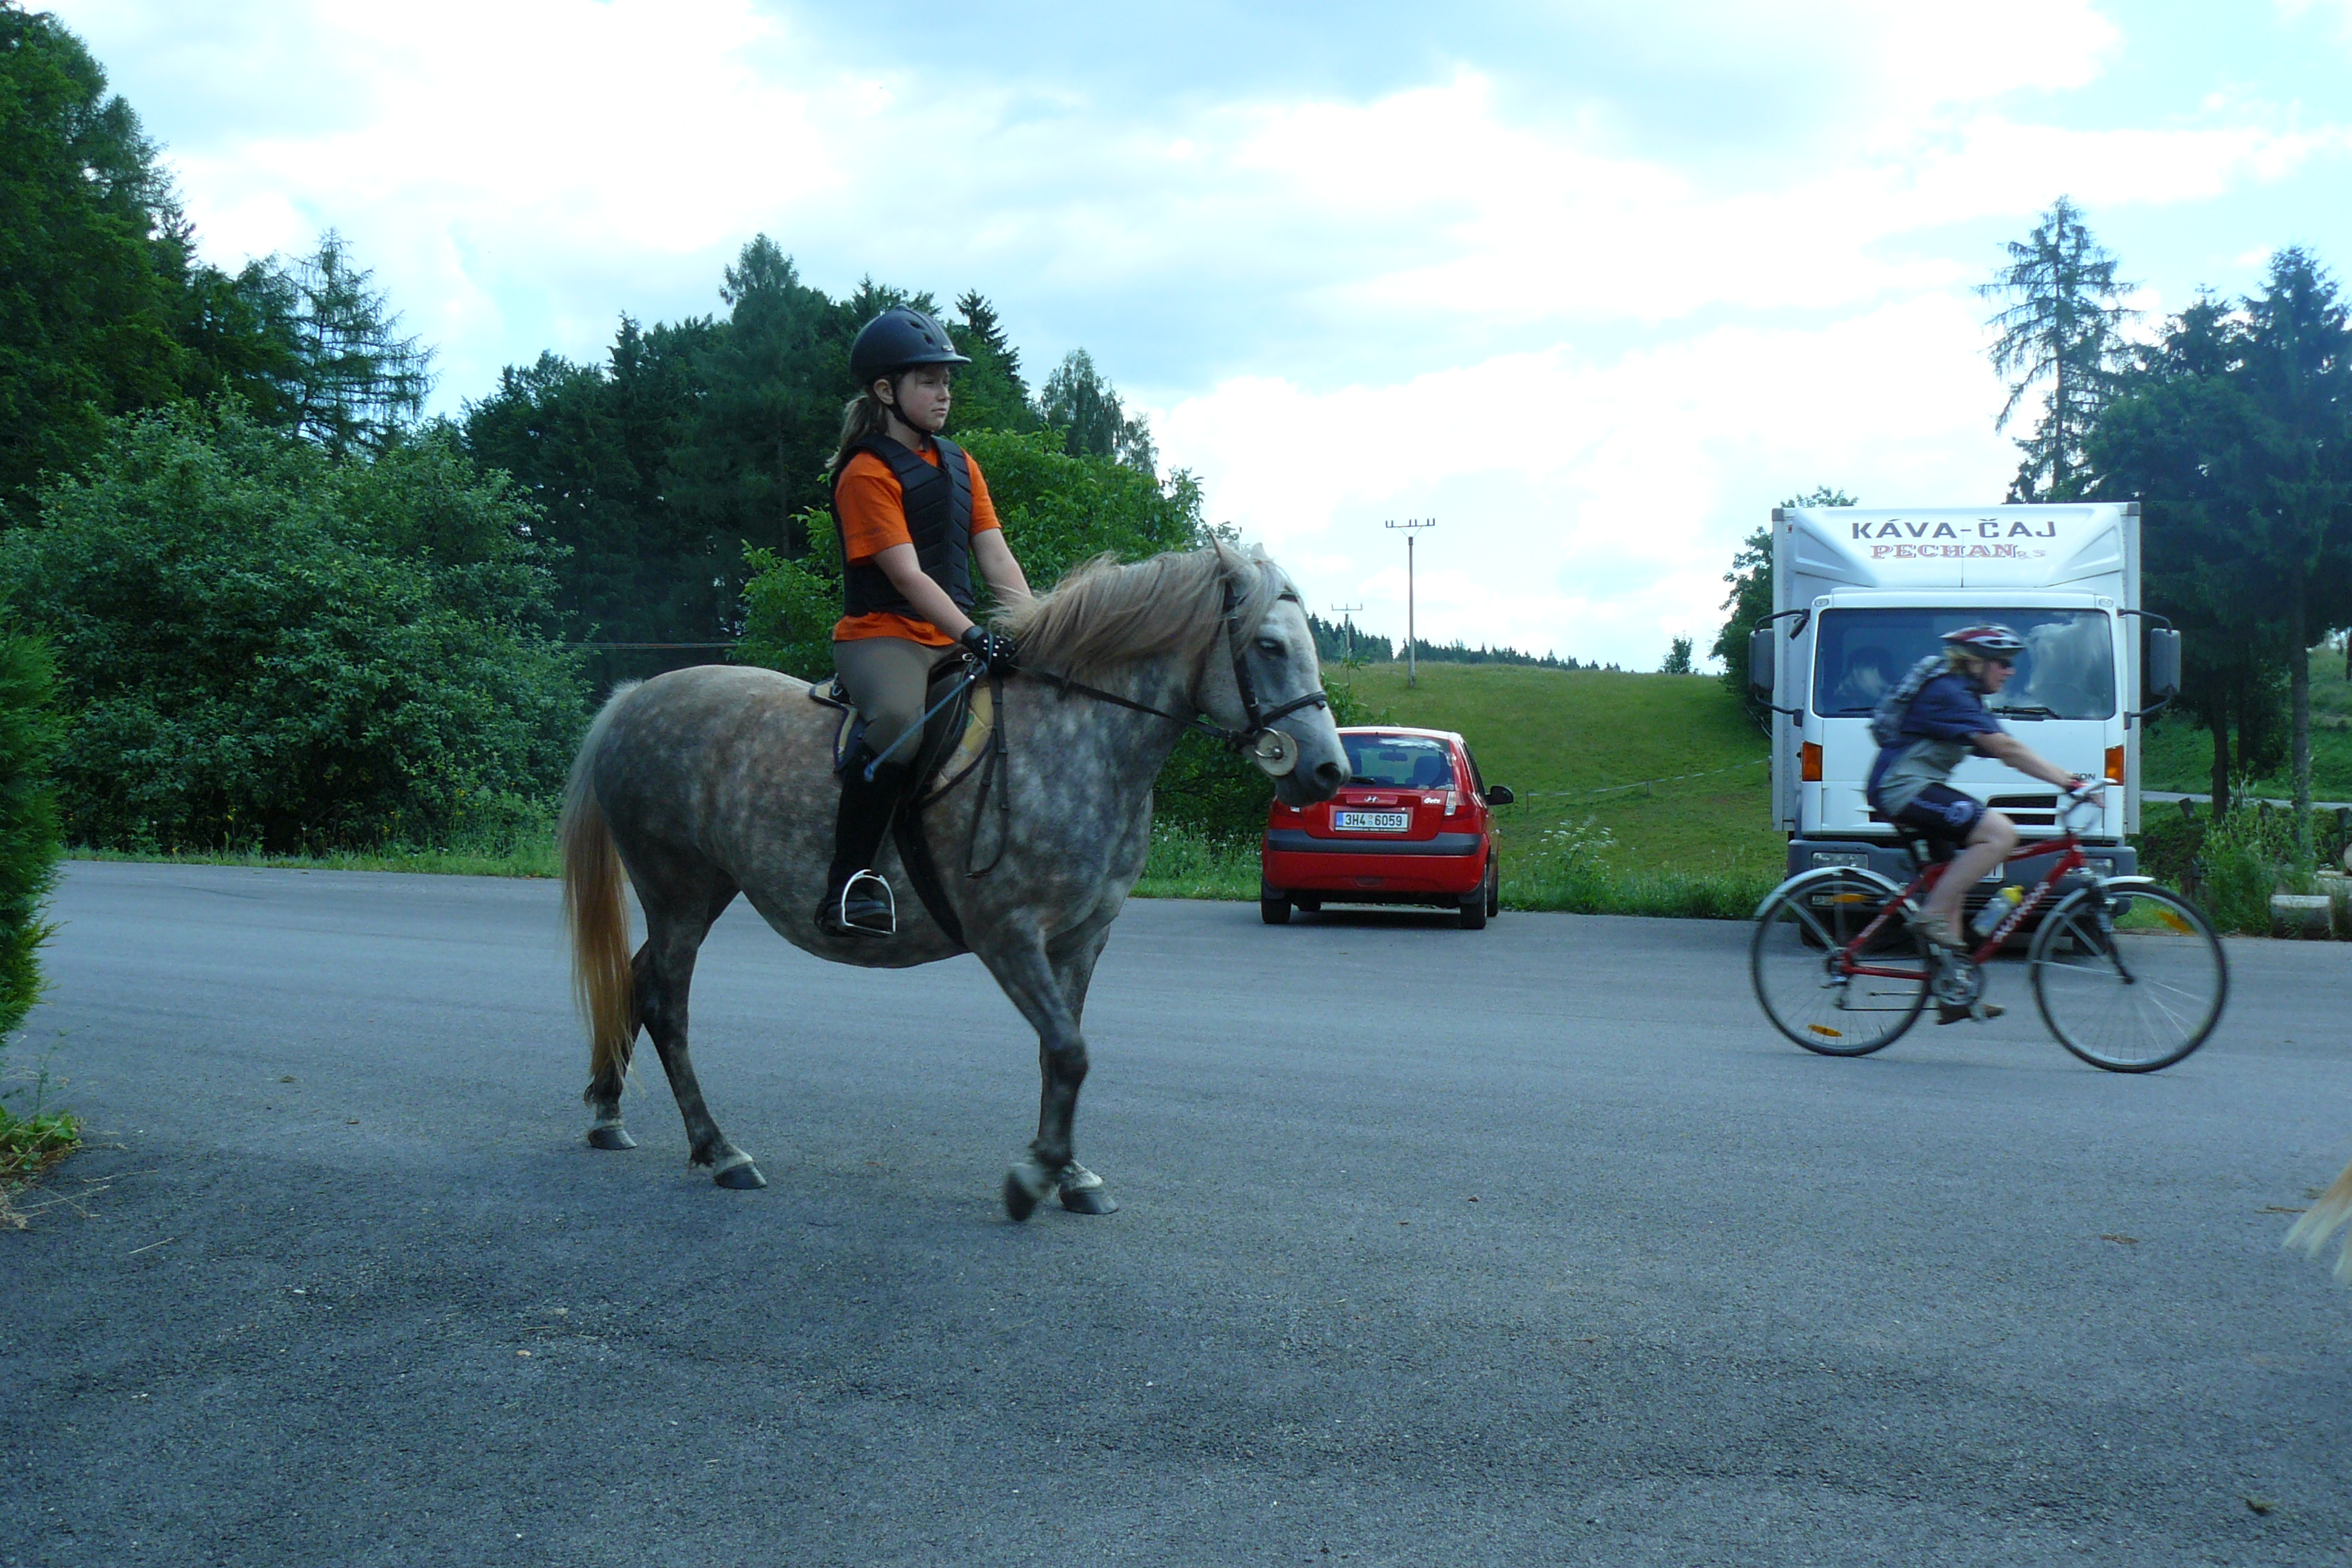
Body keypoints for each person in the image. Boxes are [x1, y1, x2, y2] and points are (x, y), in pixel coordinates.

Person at [818, 305, 1027, 939]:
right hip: (885, 636)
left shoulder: (960, 464)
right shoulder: (866, 472)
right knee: (901, 725)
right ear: (886, 392)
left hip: (952, 636)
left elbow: (994, 553)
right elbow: (908, 577)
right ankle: (849, 883)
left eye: (946, 380)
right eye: (929, 381)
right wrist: (972, 633)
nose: (945, 393)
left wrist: (1036, 625)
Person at [1865, 624, 2101, 1020]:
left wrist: (2068, 778)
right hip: (1902, 789)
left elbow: (2008, 748)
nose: (2009, 671)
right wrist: (2069, 782)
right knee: (2000, 834)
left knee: (1950, 883)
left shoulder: (1964, 694)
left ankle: (1955, 992)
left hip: (1914, 786)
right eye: (2003, 662)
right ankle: (1932, 917)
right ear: (1976, 662)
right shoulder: (1949, 692)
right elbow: (2007, 749)